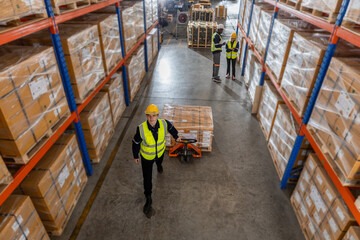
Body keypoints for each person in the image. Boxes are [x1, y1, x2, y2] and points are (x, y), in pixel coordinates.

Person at [132, 104, 181, 215]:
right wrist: (135, 155)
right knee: (147, 178)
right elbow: (135, 142)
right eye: (149, 116)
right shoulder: (141, 129)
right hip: (147, 158)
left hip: (159, 154)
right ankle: (148, 197)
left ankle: (159, 165)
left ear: (158, 115)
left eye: (154, 115)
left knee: (159, 162)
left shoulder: (164, 124)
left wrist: (176, 136)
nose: (151, 118)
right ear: (146, 116)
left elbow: (172, 128)